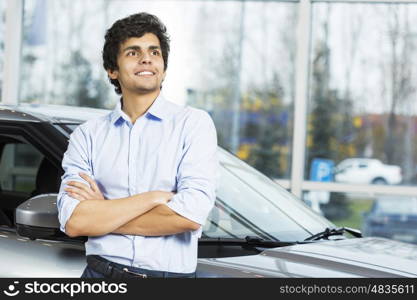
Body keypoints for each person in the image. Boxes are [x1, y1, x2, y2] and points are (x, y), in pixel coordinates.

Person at [57, 12, 218, 279]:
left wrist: (104, 215)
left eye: (154, 52)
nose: (146, 58)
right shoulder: (87, 136)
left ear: (163, 67)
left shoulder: (194, 124)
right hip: (100, 276)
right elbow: (75, 222)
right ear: (112, 70)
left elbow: (189, 216)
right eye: (133, 52)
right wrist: (153, 197)